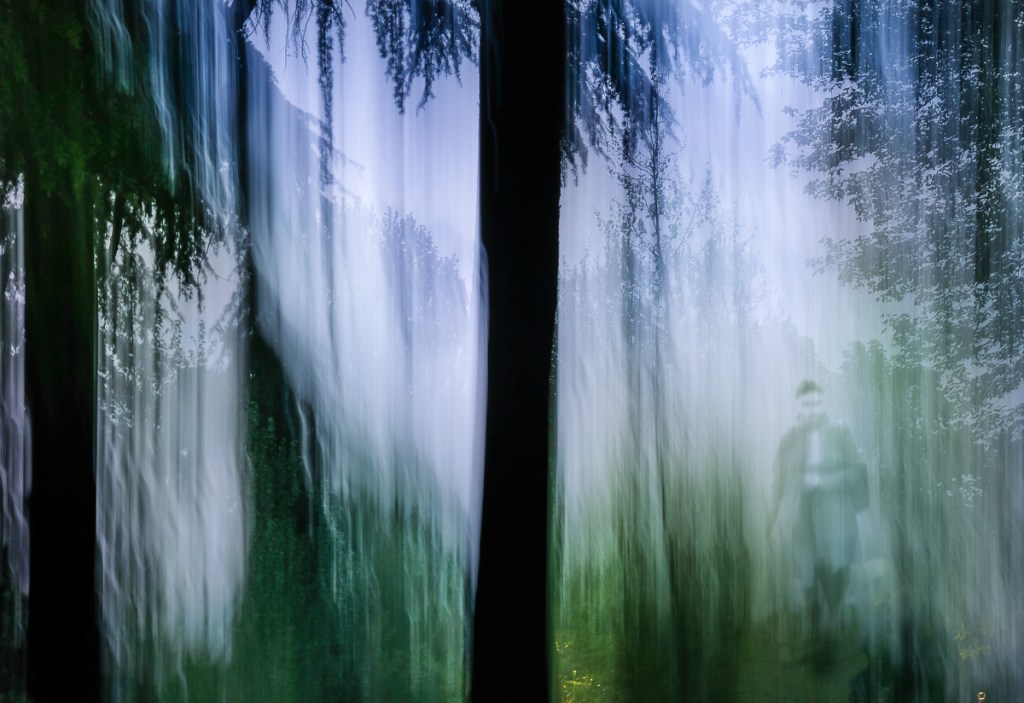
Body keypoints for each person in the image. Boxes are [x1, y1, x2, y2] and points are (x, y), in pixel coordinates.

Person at [767, 379, 868, 662]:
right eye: (806, 404)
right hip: (803, 519)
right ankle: (813, 638)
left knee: (833, 578)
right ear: (798, 407)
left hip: (836, 519)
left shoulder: (841, 434)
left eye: (817, 403)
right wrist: (770, 519)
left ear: (824, 405)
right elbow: (778, 481)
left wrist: (822, 481)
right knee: (807, 579)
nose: (812, 409)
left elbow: (856, 473)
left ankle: (829, 641)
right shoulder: (789, 440)